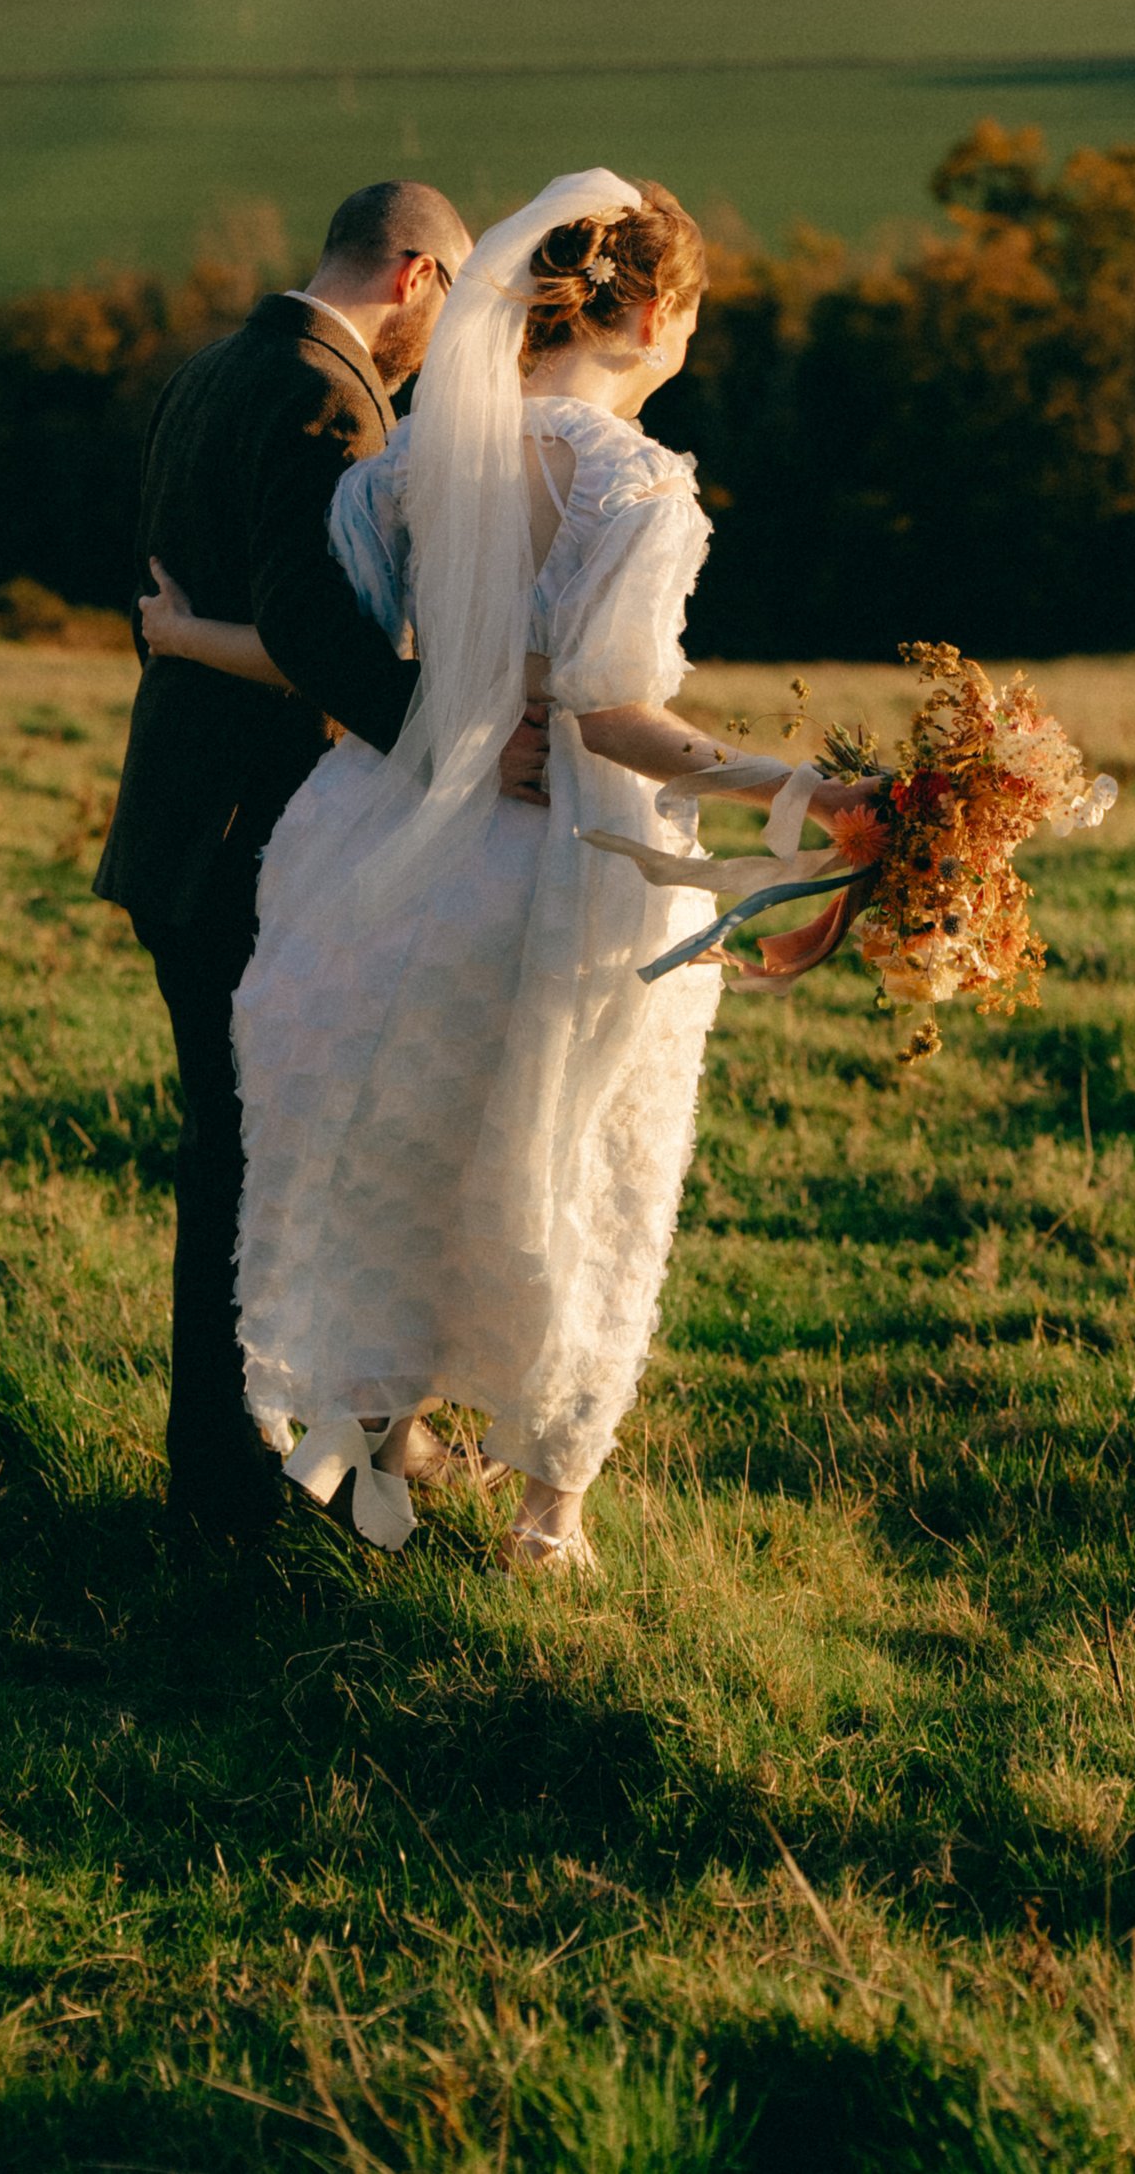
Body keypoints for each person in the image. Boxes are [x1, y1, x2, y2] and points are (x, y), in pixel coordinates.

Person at [136, 168, 878, 1576]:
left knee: (421, 1142)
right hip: (561, 864)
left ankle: (375, 1435)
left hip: (392, 860)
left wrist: (187, 637)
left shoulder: (413, 460)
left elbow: (334, 651)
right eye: (693, 320)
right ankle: (551, 1510)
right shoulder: (635, 483)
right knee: (576, 1157)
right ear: (652, 309)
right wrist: (806, 788)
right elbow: (614, 717)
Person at [93, 175, 480, 1544]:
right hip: (244, 841)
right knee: (255, 1158)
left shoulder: (209, 371)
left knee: (254, 1150)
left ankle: (324, 1441)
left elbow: (169, 591)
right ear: (420, 275)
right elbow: (312, 629)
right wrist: (455, 745)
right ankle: (228, 1483)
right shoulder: (330, 395)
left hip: (177, 826)